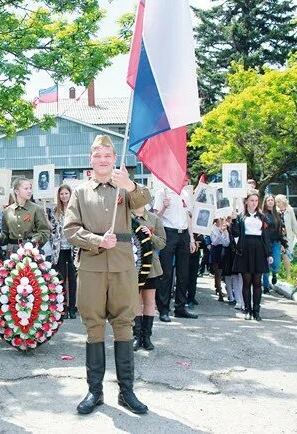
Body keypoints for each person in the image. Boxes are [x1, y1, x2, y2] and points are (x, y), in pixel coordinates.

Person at [64, 134, 151, 415]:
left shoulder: (124, 189)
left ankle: (127, 392)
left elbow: (144, 203)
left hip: (123, 265)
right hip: (91, 266)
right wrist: (96, 240)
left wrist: (131, 184)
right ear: (90, 160)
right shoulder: (80, 192)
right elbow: (70, 230)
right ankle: (95, 391)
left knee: (124, 325)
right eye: (97, 156)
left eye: (108, 156)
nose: (103, 160)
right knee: (94, 327)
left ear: (115, 159)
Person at [153, 185, 197, 322]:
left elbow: (188, 216)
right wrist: (164, 207)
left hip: (183, 234)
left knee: (183, 273)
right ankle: (163, 309)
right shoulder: (162, 192)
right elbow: (155, 217)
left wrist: (191, 238)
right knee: (166, 273)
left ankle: (180, 307)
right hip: (168, 233)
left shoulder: (184, 193)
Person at [231, 191, 273, 321]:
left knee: (257, 282)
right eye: (251, 200)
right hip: (246, 248)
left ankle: (256, 311)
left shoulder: (263, 217)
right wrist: (233, 220)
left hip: (259, 249)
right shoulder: (241, 217)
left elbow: (266, 236)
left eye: (256, 200)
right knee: (246, 282)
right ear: (246, 202)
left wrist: (269, 253)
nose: (254, 203)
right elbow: (235, 233)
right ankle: (247, 310)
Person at [131, 206, 165, 351]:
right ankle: (136, 337)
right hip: (132, 265)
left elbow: (162, 243)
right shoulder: (126, 217)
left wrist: (150, 235)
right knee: (136, 301)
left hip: (151, 266)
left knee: (149, 301)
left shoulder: (154, 218)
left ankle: (147, 337)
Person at [0, 177, 50, 252]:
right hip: (12, 251)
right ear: (16, 191)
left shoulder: (37, 209)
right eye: (26, 188)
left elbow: (44, 232)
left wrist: (34, 240)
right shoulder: (7, 211)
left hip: (31, 251)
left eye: (30, 188)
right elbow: (5, 235)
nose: (29, 191)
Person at [49, 185, 77, 319]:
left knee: (73, 279)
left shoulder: (76, 209)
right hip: (59, 249)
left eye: (66, 193)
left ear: (70, 194)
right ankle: (63, 307)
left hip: (73, 248)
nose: (64, 196)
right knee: (61, 278)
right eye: (62, 194)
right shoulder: (55, 211)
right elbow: (52, 229)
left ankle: (73, 308)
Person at [261, 194, 287, 293]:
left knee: (276, 264)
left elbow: (282, 229)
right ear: (265, 202)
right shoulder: (263, 215)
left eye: (272, 200)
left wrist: (283, 242)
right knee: (266, 266)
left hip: (276, 241)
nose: (270, 202)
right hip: (265, 242)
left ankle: (275, 273)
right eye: (268, 200)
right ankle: (266, 288)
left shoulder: (278, 214)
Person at [275, 194, 297, 281]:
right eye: (276, 202)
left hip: (287, 236)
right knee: (277, 255)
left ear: (283, 201)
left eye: (279, 201)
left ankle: (288, 275)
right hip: (277, 236)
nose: (277, 203)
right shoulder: (275, 211)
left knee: (286, 255)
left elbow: (294, 222)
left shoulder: (290, 210)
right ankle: (276, 273)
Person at [222, 216, 243, 309]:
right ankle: (237, 299)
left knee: (241, 277)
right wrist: (224, 231)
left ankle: (243, 301)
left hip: (239, 253)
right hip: (229, 255)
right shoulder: (226, 228)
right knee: (233, 276)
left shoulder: (240, 226)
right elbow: (225, 243)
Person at [210, 218, 230, 302]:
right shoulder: (212, 229)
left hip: (224, 250)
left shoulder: (226, 228)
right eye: (220, 219)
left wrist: (224, 231)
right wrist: (220, 233)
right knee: (217, 272)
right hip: (216, 250)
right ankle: (219, 290)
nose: (222, 221)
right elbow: (214, 242)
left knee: (224, 272)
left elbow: (227, 243)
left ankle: (227, 291)